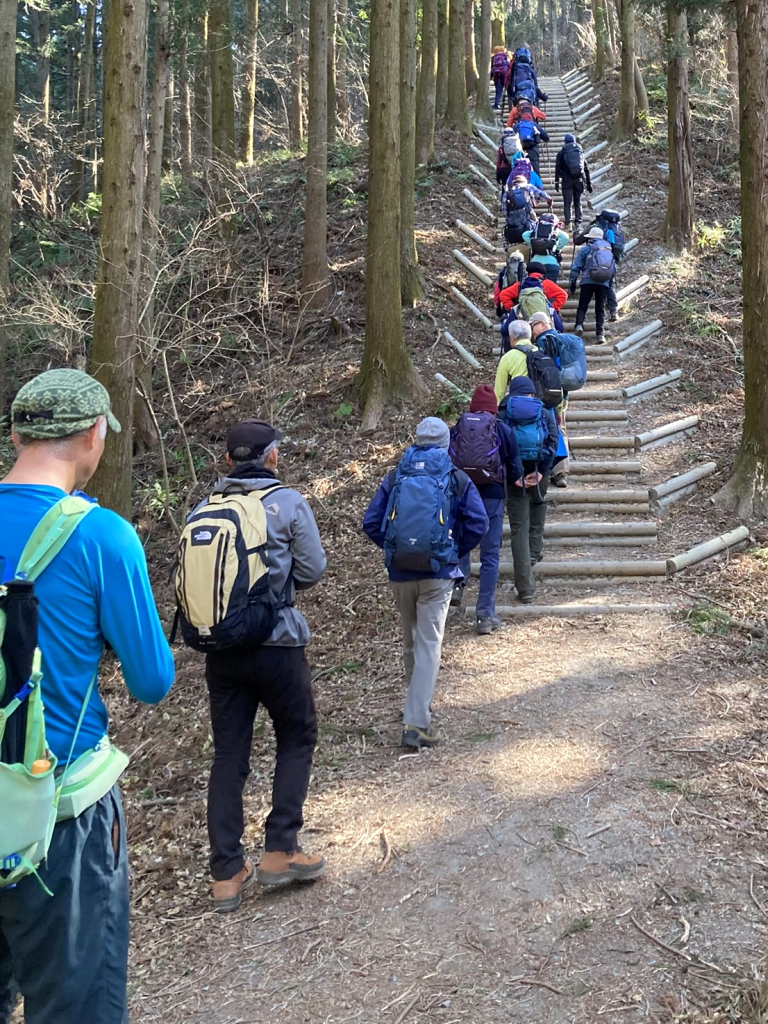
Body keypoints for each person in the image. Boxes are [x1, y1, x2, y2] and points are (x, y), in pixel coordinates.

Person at [0, 368, 175, 1024]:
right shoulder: (103, 538)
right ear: (95, 434)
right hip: (60, 817)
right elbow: (152, 683)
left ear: (18, 434)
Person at [197, 420, 327, 911]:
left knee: (229, 757)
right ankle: (280, 848)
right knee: (297, 735)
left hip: (222, 652)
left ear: (229, 461)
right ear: (272, 458)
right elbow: (313, 569)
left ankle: (226, 873)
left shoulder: (205, 508)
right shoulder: (289, 503)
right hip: (277, 645)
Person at [362, 418, 488, 749]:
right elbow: (479, 522)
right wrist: (453, 552)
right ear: (447, 443)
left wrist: (394, 549)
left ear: (415, 440)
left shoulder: (395, 477)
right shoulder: (455, 477)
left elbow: (371, 522)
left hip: (401, 572)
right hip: (437, 575)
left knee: (411, 640)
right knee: (429, 645)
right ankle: (416, 722)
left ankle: (416, 704)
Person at [449, 387, 524, 635]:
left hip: (463, 493)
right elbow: (514, 465)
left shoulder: (459, 427)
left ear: (472, 407)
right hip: (492, 496)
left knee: (462, 542)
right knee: (490, 555)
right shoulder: (502, 429)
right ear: (493, 408)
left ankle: (458, 587)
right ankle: (484, 615)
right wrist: (516, 484)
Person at [499, 376, 559, 604]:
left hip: (515, 477)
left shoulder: (503, 412)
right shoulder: (543, 411)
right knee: (539, 502)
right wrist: (543, 471)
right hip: (539, 468)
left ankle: (525, 588)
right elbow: (553, 440)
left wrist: (514, 476)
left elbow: (498, 446)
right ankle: (535, 550)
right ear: (532, 393)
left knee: (518, 528)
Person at [528, 311, 588, 487]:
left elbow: (546, 374)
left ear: (542, 324)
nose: (532, 332)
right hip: (564, 393)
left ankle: (550, 469)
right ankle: (561, 471)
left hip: (549, 395)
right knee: (560, 428)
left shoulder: (544, 342)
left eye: (533, 327)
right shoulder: (566, 340)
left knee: (552, 427)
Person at [569, 226, 617, 345]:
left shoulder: (587, 249)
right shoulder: (607, 248)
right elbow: (613, 268)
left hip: (587, 280)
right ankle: (600, 334)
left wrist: (573, 283)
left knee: (583, 305)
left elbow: (576, 267)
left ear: (590, 238)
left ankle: (579, 325)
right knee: (599, 309)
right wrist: (609, 283)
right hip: (604, 282)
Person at [554, 133, 593, 229]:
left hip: (566, 180)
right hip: (578, 180)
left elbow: (557, 168)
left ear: (565, 142)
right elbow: (586, 168)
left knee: (567, 203)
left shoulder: (562, 153)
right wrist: (588, 183)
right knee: (578, 202)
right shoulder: (579, 152)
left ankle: (568, 223)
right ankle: (578, 223)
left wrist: (556, 181)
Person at [494, 319, 536, 401]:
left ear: (512, 338)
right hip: (541, 406)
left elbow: (499, 390)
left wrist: (497, 409)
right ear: (530, 336)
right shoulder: (541, 353)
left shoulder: (508, 357)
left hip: (517, 404)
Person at [498, 270, 568, 317]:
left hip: (523, 316)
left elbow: (503, 295)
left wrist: (511, 308)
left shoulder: (520, 285)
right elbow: (563, 295)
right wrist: (552, 308)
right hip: (543, 316)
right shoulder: (547, 284)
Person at [523, 214, 570, 282]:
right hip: (552, 263)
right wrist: (557, 248)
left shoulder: (536, 232)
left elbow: (524, 235)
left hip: (535, 264)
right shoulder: (554, 232)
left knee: (536, 287)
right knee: (550, 289)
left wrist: (532, 244)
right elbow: (566, 237)